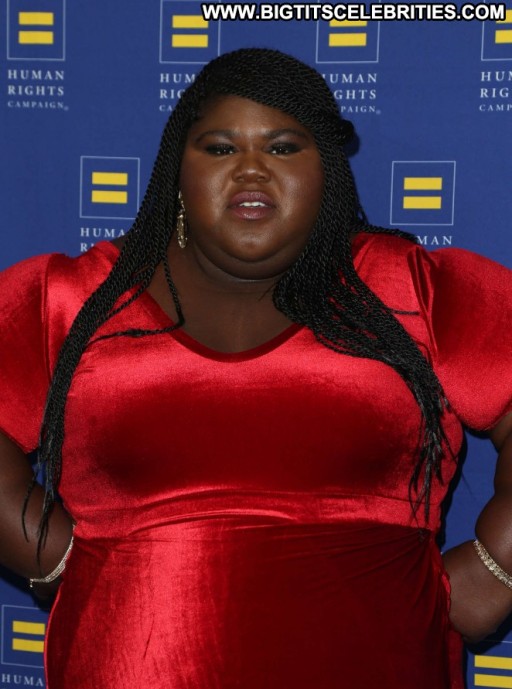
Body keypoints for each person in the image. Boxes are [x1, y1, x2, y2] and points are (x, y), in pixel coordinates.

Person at [0, 47, 511, 688]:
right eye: (219, 148)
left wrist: (497, 568)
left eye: (283, 147)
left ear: (327, 171)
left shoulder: (414, 288)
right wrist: (49, 558)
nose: (250, 169)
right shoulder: (72, 298)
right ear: (176, 170)